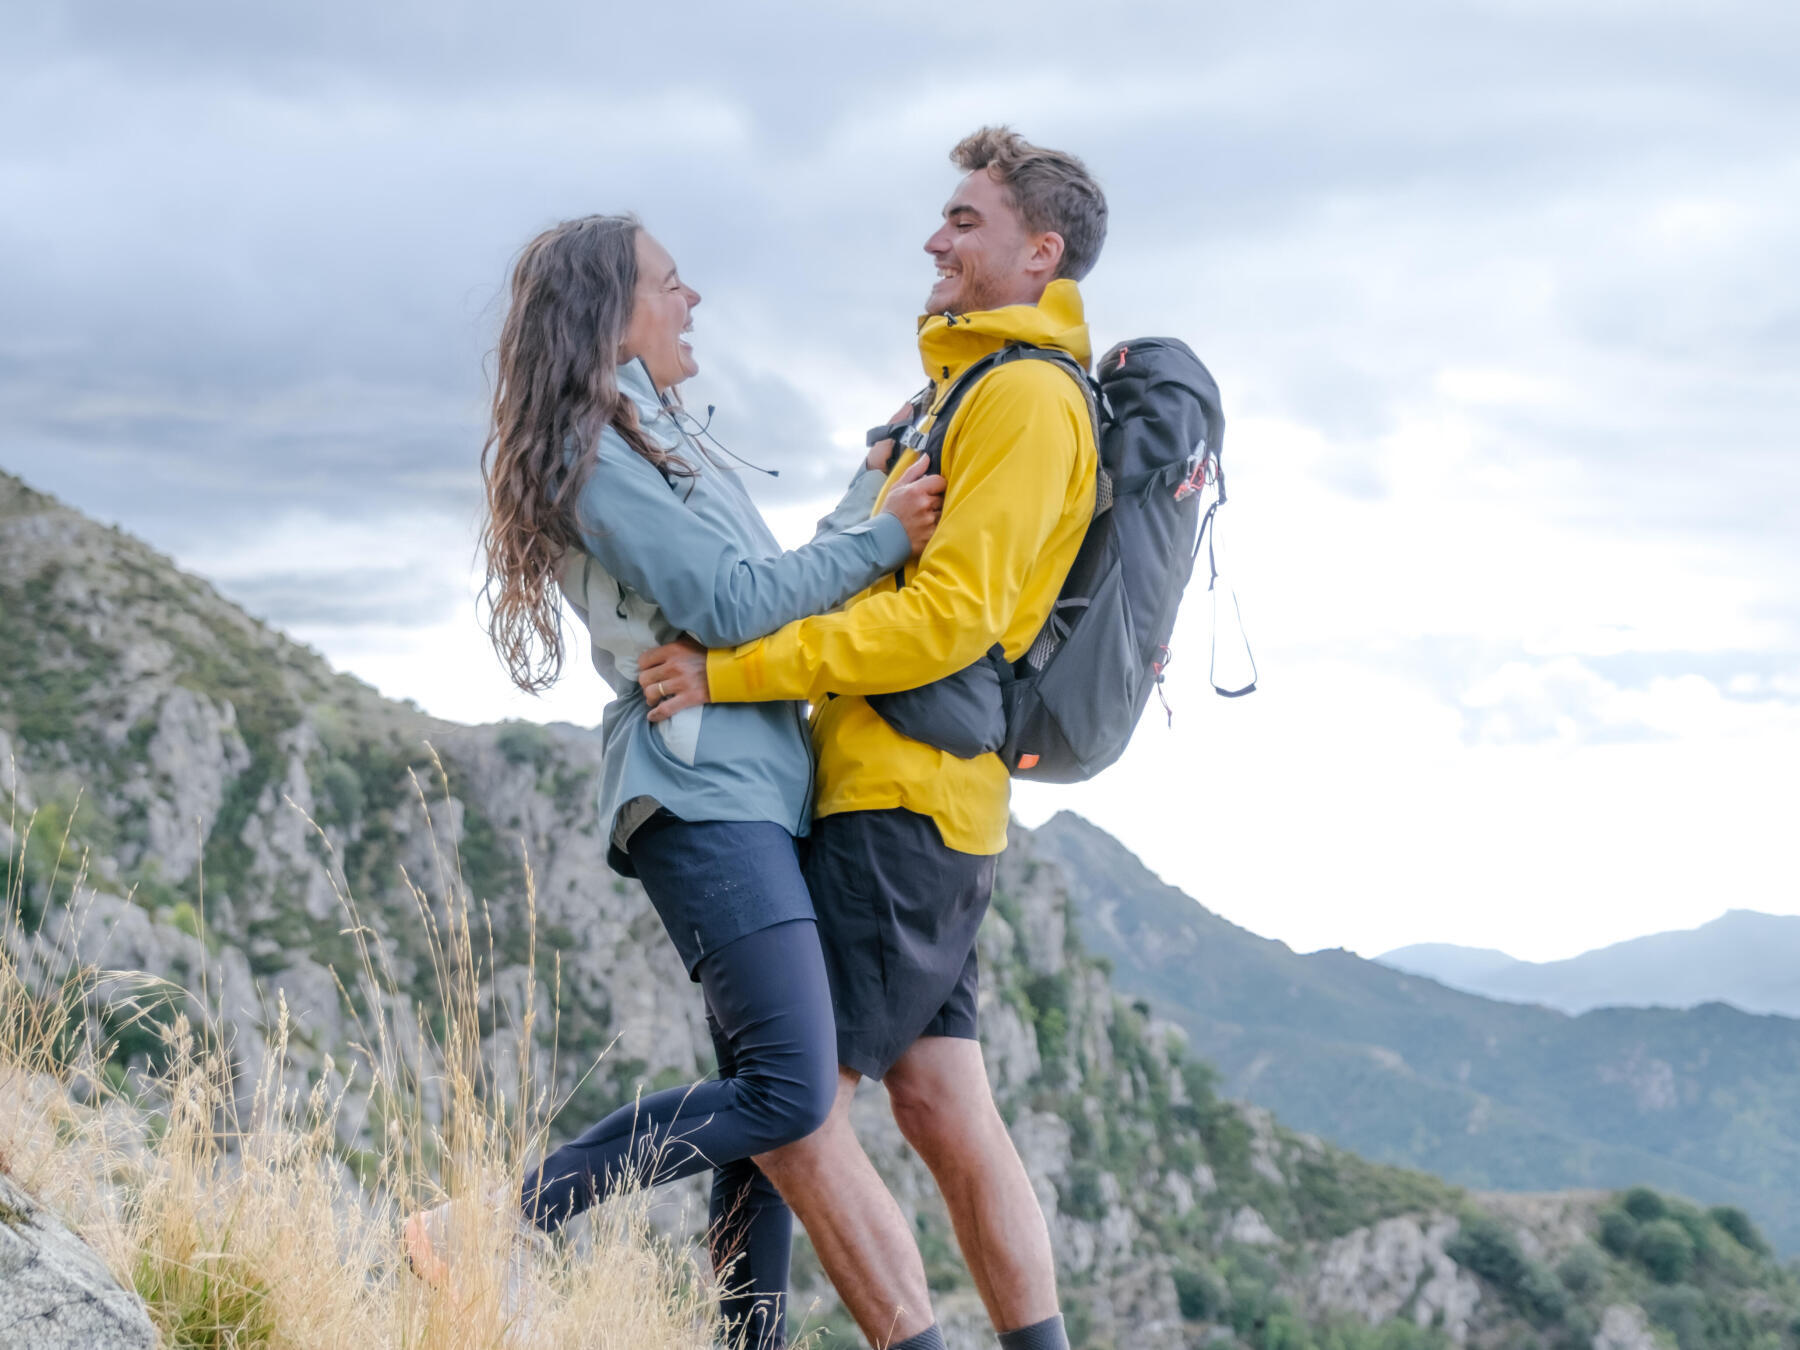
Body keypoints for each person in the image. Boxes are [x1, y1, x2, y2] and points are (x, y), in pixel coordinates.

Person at [403, 212, 945, 1350]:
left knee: (762, 1111)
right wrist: (886, 540)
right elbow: (737, 609)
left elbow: (767, 579)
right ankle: (490, 1222)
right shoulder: (594, 451)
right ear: (612, 311)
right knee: (792, 1094)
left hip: (753, 791)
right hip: (703, 803)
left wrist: (869, 486)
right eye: (671, 282)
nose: (692, 299)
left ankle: (747, 1340)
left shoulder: (656, 437)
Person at [639, 127, 1108, 1350]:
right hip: (928, 799)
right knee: (948, 1103)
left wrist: (735, 673)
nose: (934, 239)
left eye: (965, 221)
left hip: (897, 801)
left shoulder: (1021, 398)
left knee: (792, 1109)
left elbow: (945, 622)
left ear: (1037, 252)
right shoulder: (975, 389)